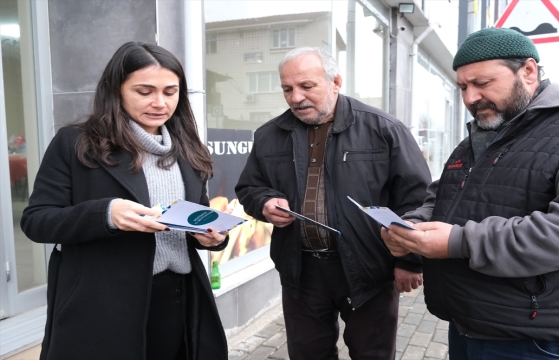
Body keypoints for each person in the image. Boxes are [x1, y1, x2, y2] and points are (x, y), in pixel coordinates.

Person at [381, 27, 559, 360]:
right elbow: (443, 199)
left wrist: (458, 242)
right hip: (469, 325)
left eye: (482, 83)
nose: (470, 98)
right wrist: (409, 229)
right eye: (463, 86)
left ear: (529, 71)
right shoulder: (476, 140)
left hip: (545, 342)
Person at [21, 42, 229, 360]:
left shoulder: (188, 149)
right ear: (116, 90)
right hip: (103, 305)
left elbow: (194, 217)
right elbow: (37, 220)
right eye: (144, 91)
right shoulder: (76, 143)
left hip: (179, 298)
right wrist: (106, 214)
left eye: (170, 91)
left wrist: (211, 236)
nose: (160, 103)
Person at [235, 47, 431, 359]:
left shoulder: (383, 129)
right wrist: (264, 202)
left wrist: (409, 261)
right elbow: (249, 187)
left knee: (373, 354)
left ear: (335, 81)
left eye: (307, 87)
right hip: (301, 272)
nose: (296, 97)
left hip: (370, 269)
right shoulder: (269, 135)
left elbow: (418, 199)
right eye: (288, 89)